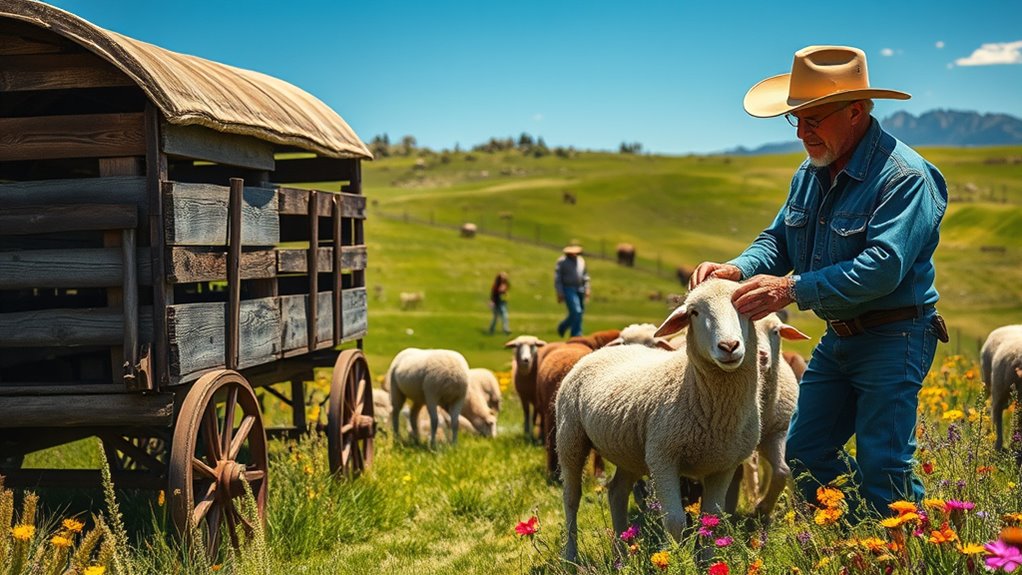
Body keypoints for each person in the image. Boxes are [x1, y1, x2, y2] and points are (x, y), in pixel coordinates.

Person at [690, 45, 949, 517]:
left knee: (884, 462)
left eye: (813, 119)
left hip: (895, 335)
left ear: (856, 111)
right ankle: (858, 535)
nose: (802, 132)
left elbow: (882, 266)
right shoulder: (811, 173)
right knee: (805, 453)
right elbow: (778, 240)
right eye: (796, 119)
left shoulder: (905, 177)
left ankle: (902, 544)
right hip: (840, 335)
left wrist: (790, 290)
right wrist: (738, 268)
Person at [554, 244, 590, 337]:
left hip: (580, 288)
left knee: (580, 312)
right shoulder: (562, 262)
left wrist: (587, 288)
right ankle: (576, 333)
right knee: (576, 311)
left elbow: (585, 276)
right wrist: (560, 292)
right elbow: (558, 278)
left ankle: (564, 327)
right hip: (568, 288)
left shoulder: (581, 260)